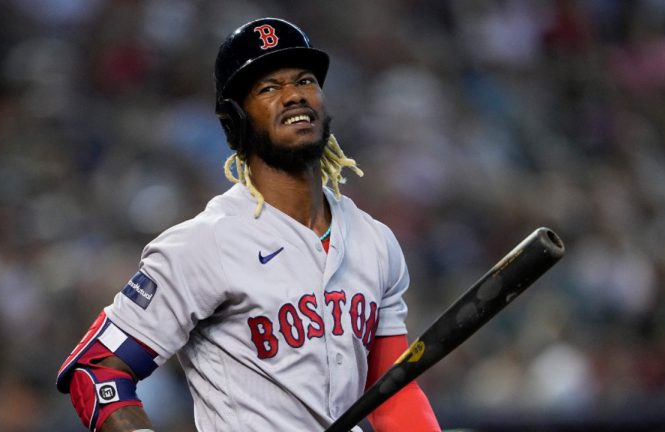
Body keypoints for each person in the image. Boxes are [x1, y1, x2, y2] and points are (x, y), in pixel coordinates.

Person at [56, 17, 442, 432]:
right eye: (269, 88)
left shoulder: (375, 241)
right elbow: (96, 369)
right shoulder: (206, 242)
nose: (294, 96)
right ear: (234, 121)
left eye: (305, 80)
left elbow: (392, 395)